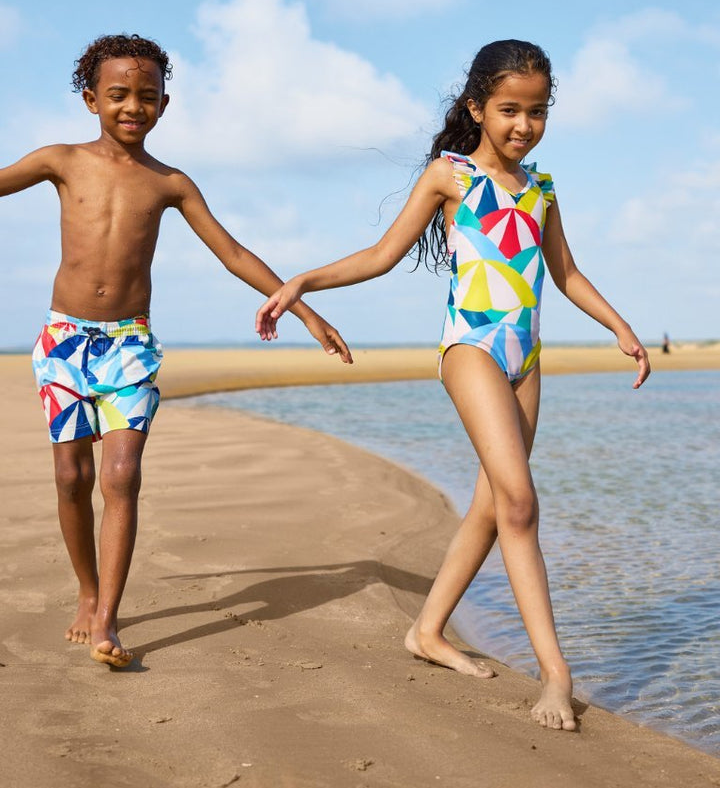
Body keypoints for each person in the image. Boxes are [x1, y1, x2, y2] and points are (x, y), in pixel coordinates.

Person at [255, 39, 650, 731]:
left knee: (492, 508)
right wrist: (301, 282)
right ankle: (558, 673)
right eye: (508, 110)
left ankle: (428, 630)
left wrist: (621, 327)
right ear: (477, 107)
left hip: (525, 357)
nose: (523, 125)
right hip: (470, 347)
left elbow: (567, 275)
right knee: (521, 503)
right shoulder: (452, 175)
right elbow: (382, 254)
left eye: (536, 111)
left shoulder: (544, 190)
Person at [0, 33, 351, 669]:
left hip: (129, 343)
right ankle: (86, 590)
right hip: (64, 341)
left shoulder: (170, 183)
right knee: (71, 478)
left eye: (148, 97)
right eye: (118, 95)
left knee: (122, 476)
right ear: (90, 99)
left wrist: (302, 308)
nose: (133, 107)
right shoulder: (60, 160)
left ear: (164, 103)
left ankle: (107, 619)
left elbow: (235, 253)